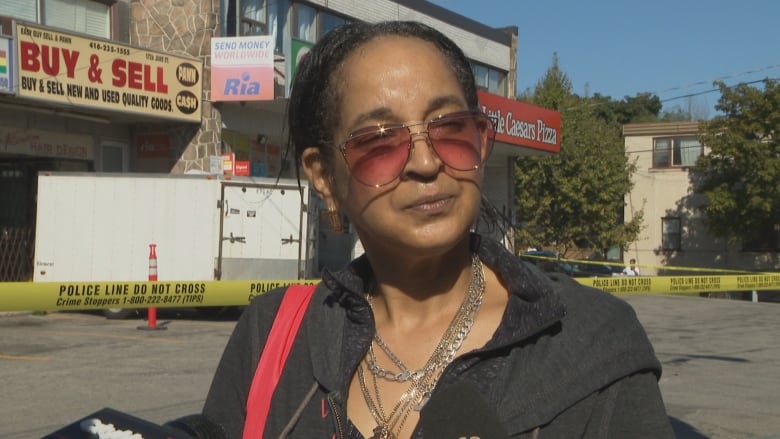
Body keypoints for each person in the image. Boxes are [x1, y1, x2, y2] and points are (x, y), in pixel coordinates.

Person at [201, 21, 673, 438]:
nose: (426, 163)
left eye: (450, 129)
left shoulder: (589, 342)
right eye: (380, 142)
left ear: (483, 144)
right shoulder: (272, 337)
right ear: (324, 176)